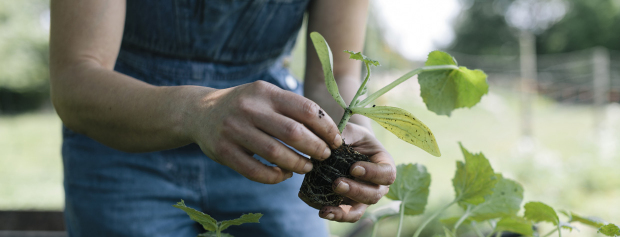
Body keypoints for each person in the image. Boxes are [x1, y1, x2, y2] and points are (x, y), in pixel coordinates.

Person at [49, 0, 396, 236]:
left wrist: (353, 139)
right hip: (123, 128)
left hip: (269, 142)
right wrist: (199, 112)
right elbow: (75, 81)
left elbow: (332, 77)